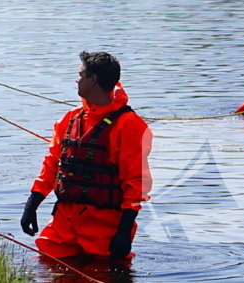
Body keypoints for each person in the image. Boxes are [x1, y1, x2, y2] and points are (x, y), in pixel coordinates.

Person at [21, 51, 152, 260]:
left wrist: (124, 231)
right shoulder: (71, 119)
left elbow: (136, 181)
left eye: (81, 74)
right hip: (63, 225)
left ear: (93, 80)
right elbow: (52, 165)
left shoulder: (129, 125)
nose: (76, 79)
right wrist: (32, 205)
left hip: (104, 229)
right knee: (45, 266)